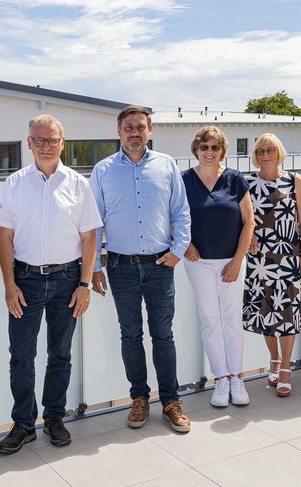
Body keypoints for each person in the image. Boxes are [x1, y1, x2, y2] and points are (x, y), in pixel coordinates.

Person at [0, 115, 102, 453]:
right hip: (25, 279)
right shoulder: (14, 184)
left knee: (60, 354)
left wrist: (84, 284)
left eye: (51, 139)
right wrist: (9, 285)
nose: (44, 145)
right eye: (38, 140)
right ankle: (24, 423)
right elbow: (6, 238)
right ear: (28, 143)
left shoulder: (78, 184)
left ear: (62, 143)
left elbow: (89, 237)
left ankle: (54, 416)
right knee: (21, 355)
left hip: (67, 280)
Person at [90, 105, 193, 433]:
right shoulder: (103, 170)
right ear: (119, 132)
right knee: (130, 334)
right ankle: (139, 398)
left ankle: (171, 402)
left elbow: (181, 212)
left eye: (140, 127)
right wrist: (94, 266)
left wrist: (178, 251)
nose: (135, 133)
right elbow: (94, 223)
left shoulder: (166, 166)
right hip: (120, 267)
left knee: (163, 334)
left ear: (149, 131)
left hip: (160, 265)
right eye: (128, 127)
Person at [182, 126, 254, 407]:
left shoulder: (235, 179)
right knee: (210, 320)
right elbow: (175, 217)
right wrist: (185, 243)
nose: (209, 152)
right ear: (196, 150)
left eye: (214, 147)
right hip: (199, 263)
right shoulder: (185, 180)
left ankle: (237, 377)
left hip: (231, 261)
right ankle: (221, 379)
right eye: (204, 147)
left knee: (232, 320)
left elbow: (249, 222)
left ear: (222, 150)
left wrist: (238, 261)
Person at [243, 133, 301, 397]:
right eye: (260, 151)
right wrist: (246, 239)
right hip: (260, 259)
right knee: (266, 310)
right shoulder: (247, 183)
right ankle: (273, 359)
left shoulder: (295, 181)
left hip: (289, 257)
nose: (265, 155)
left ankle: (285, 368)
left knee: (288, 312)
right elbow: (243, 220)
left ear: (279, 152)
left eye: (270, 149)